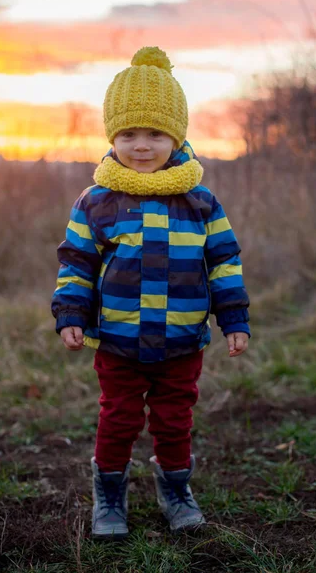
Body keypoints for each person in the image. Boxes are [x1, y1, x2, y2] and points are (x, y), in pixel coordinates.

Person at [51, 46, 250, 540]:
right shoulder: (96, 201)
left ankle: (176, 489)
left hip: (182, 339)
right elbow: (76, 261)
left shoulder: (200, 200)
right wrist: (70, 311)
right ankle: (110, 495)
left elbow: (224, 262)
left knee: (174, 418)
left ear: (177, 135)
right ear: (112, 137)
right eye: (128, 134)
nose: (142, 145)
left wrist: (235, 320)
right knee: (118, 418)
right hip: (118, 339)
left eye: (156, 134)